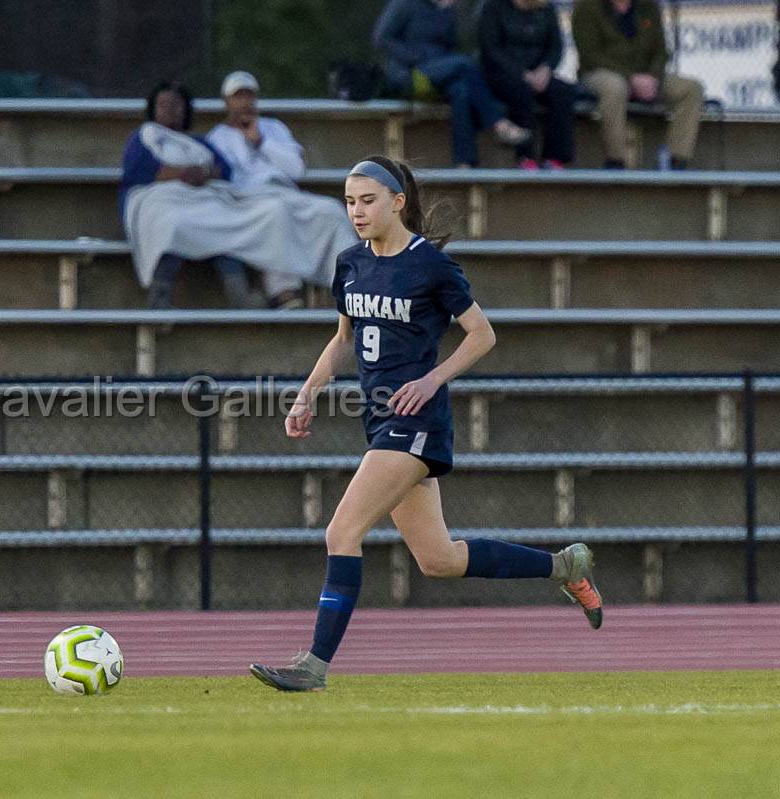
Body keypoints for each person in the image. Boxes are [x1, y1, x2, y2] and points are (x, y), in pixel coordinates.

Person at [249, 155, 603, 692]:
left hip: (415, 423)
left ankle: (314, 666)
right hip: (379, 420)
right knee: (438, 560)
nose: (357, 211)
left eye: (367, 200)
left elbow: (482, 334)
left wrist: (433, 379)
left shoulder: (430, 266)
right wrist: (307, 394)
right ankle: (564, 567)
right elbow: (344, 338)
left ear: (397, 202)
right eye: (349, 201)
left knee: (341, 531)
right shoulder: (349, 263)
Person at [206, 71, 359, 309]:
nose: (244, 102)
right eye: (238, 96)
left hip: (287, 192)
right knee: (275, 214)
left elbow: (296, 168)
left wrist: (260, 141)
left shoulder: (273, 127)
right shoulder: (217, 137)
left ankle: (352, 286)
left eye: (248, 95)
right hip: (247, 200)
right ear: (227, 102)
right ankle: (284, 291)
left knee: (331, 211)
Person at [120, 82, 260, 309]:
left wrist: (203, 174)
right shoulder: (143, 138)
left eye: (176, 105)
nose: (170, 110)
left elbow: (223, 170)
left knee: (225, 221)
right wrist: (181, 174)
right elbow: (138, 171)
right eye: (163, 105)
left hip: (203, 199)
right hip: (161, 200)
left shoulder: (199, 143)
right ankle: (160, 298)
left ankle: (238, 294)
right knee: (172, 224)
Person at [372, 0, 531, 167]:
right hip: (408, 73)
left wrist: (448, 12)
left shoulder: (447, 9)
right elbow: (381, 38)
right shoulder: (404, 4)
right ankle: (498, 124)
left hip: (439, 70)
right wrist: (416, 56)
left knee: (461, 89)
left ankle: (464, 162)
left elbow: (455, 44)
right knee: (465, 64)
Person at [572, 0, 704, 169]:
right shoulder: (587, 7)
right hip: (600, 72)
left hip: (646, 75)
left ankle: (676, 160)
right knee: (615, 87)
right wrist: (631, 78)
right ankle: (616, 160)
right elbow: (590, 55)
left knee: (691, 89)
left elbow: (660, 50)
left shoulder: (648, 6)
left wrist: (653, 77)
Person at [478, 0, 577, 169]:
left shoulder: (546, 9)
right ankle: (525, 156)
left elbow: (555, 47)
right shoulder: (493, 8)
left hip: (540, 72)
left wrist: (545, 69)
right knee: (520, 91)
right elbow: (491, 49)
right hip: (502, 74)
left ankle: (555, 158)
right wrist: (522, 74)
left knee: (563, 91)